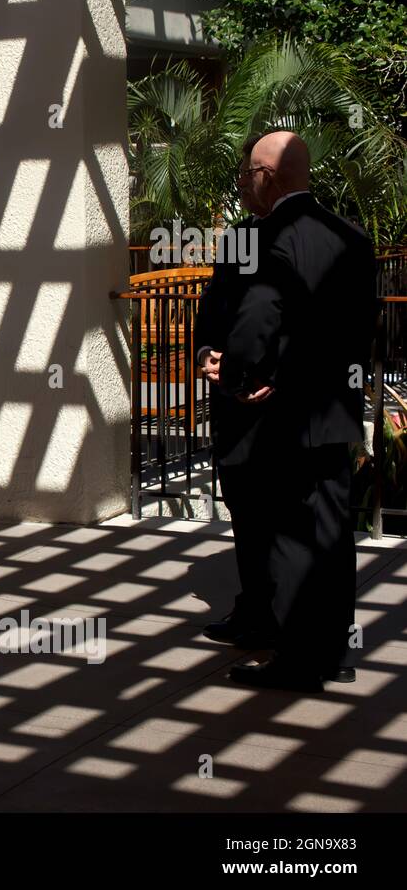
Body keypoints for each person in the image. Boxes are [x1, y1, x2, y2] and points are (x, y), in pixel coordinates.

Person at [216, 131, 377, 690]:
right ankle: (332, 653)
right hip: (333, 413)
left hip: (285, 423)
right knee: (332, 538)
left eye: (249, 174)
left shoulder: (270, 238)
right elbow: (357, 331)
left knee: (288, 538)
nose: (245, 185)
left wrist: (242, 376)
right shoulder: (351, 238)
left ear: (267, 176)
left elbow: (258, 317)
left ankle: (295, 660)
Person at [195, 135, 278, 649]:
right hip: (233, 404)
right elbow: (214, 307)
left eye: (247, 175)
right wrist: (205, 353)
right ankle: (254, 610)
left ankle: (288, 619)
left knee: (286, 521)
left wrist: (273, 373)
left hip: (283, 407)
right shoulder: (239, 239)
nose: (241, 185)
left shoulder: (316, 239)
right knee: (245, 513)